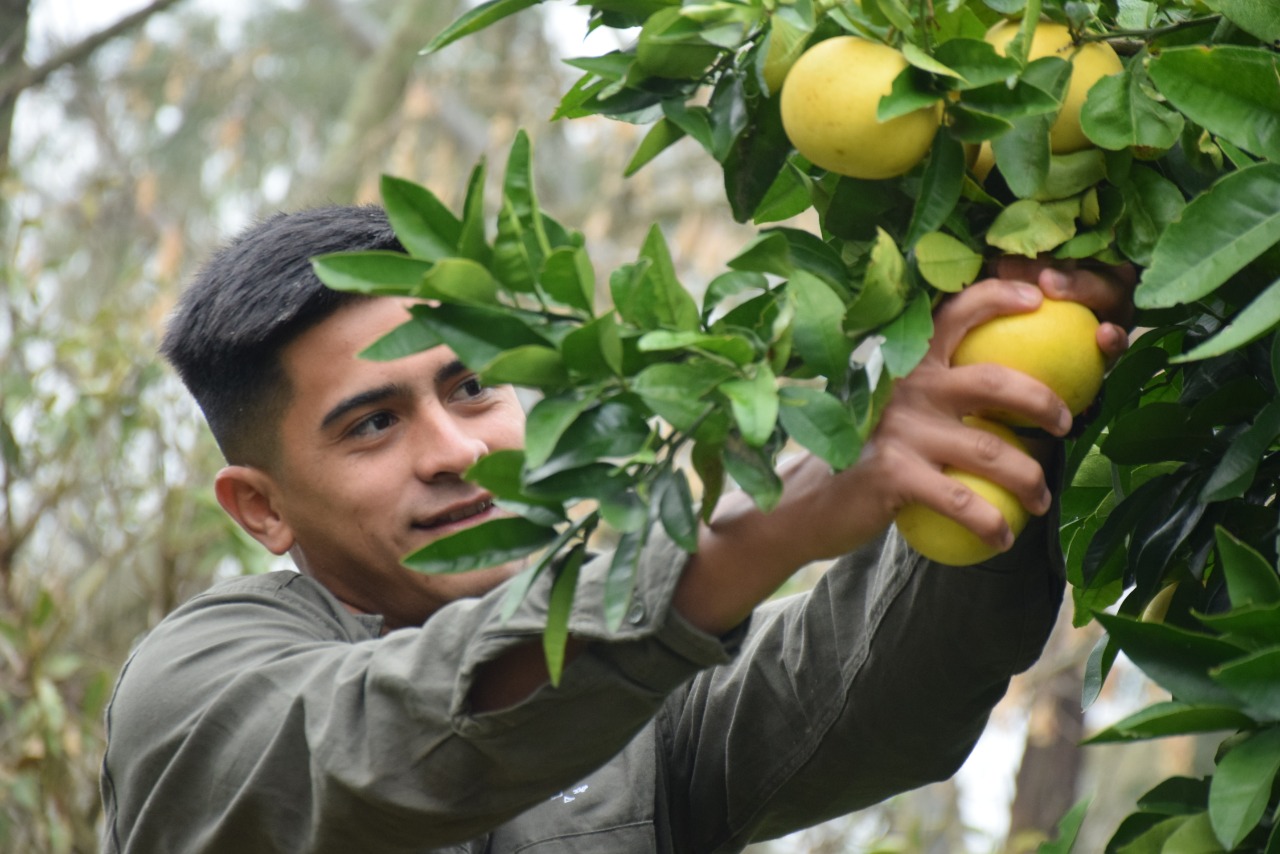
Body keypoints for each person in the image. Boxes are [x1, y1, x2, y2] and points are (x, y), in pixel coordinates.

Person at [99, 204, 1132, 853]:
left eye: (471, 386)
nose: (455, 449)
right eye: (373, 423)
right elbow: (381, 745)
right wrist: (764, 527)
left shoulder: (632, 701)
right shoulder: (192, 688)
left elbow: (879, 694)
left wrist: (1002, 404)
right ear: (263, 506)